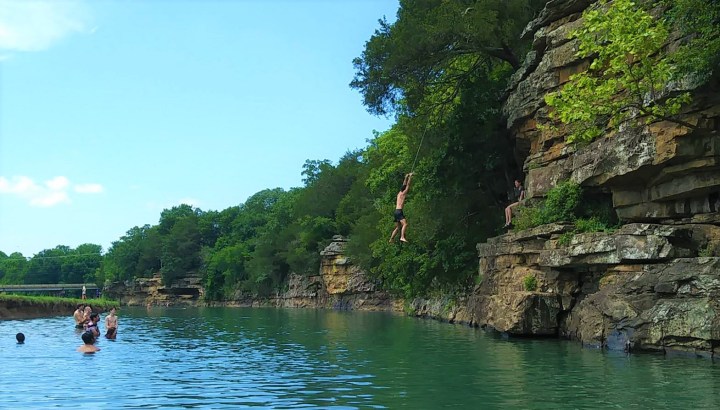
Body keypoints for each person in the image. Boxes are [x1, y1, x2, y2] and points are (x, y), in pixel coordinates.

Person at [389, 172, 414, 243]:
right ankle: (402, 237)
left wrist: (406, 177)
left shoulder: (399, 193)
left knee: (398, 227)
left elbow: (404, 185)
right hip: (399, 211)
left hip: (396, 211)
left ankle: (391, 238)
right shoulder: (403, 194)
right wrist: (410, 177)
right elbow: (408, 185)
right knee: (405, 224)